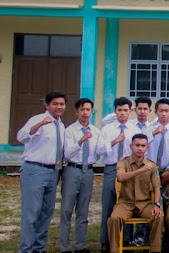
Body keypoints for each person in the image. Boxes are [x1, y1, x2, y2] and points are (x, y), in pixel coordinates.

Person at [97, 96, 150, 252]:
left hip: (129, 169)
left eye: (125, 110)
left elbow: (139, 151)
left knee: (127, 202)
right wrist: (114, 141)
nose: (122, 113)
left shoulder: (134, 130)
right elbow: (99, 150)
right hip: (111, 168)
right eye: (119, 110)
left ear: (130, 111)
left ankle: (126, 240)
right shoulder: (107, 129)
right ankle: (106, 241)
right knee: (108, 204)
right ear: (115, 111)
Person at [17, 91, 67, 253]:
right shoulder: (38, 119)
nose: (59, 107)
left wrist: (58, 171)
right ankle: (26, 249)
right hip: (35, 170)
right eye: (55, 104)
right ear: (47, 105)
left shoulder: (61, 124)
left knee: (46, 213)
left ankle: (39, 248)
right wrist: (39, 125)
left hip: (53, 172)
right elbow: (21, 136)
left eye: (62, 104)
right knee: (31, 213)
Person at [107, 134, 163, 253]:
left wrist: (156, 204)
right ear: (131, 146)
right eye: (137, 145)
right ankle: (114, 250)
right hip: (125, 203)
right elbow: (120, 177)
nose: (140, 148)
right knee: (114, 218)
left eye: (143, 146)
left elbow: (157, 187)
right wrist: (141, 170)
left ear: (147, 147)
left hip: (145, 204)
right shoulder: (123, 163)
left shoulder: (151, 165)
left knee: (158, 216)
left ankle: (154, 250)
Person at [60, 97, 100, 253]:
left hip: (88, 171)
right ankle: (64, 247)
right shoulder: (69, 131)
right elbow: (68, 154)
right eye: (82, 109)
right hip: (72, 170)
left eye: (88, 109)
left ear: (92, 111)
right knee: (66, 210)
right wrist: (81, 141)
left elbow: (97, 154)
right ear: (76, 111)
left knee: (83, 210)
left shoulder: (96, 131)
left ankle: (80, 245)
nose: (85, 113)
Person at [148, 98, 169, 171]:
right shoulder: (149, 129)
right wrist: (153, 134)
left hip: (168, 169)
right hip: (150, 168)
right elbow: (143, 146)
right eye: (161, 111)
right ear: (156, 112)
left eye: (166, 111)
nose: (164, 114)